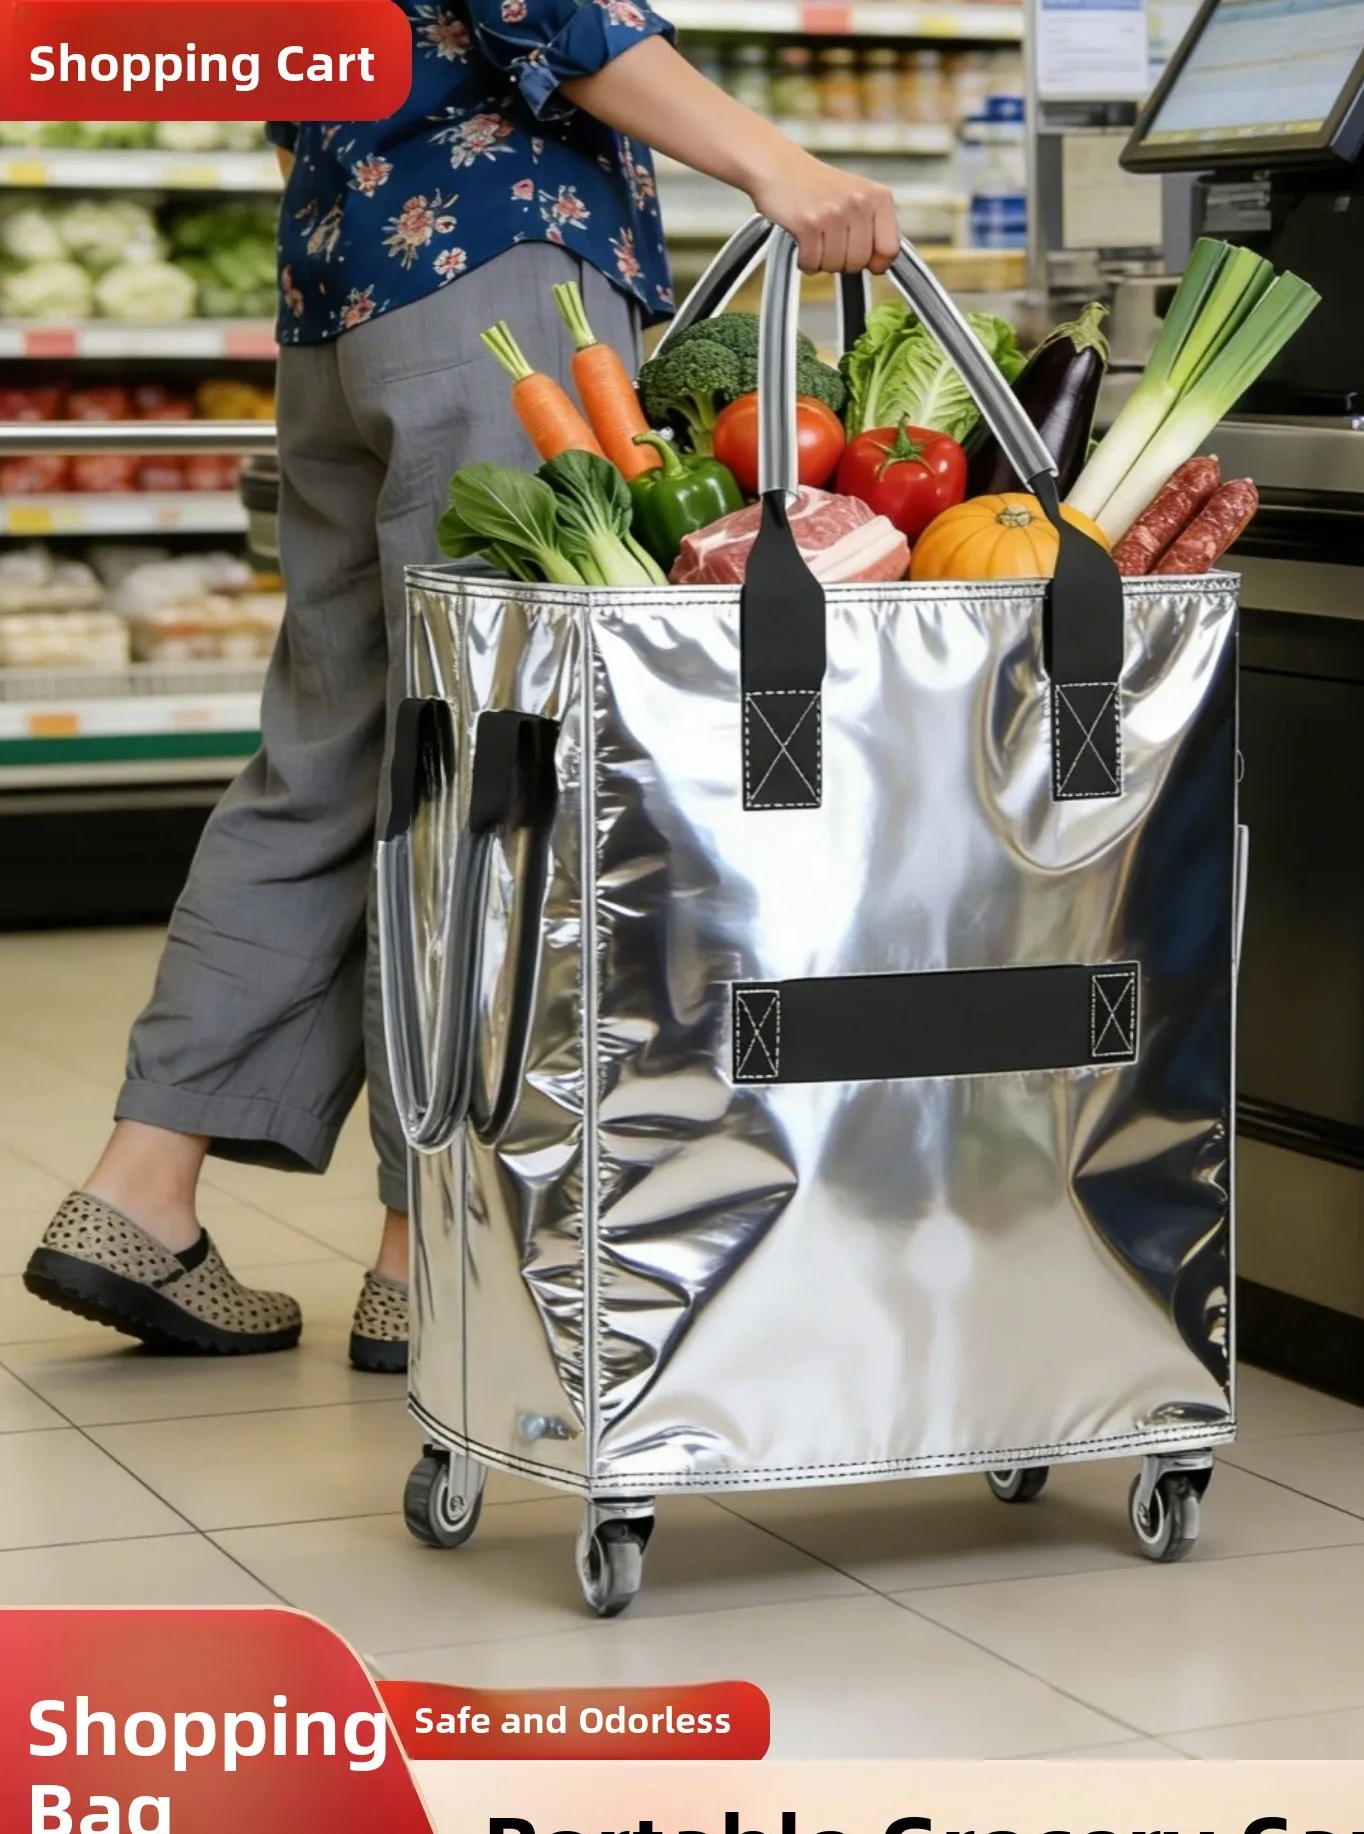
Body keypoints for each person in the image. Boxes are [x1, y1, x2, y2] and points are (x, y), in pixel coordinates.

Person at [23, 1, 899, 1371]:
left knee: (325, 753)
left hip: (338, 295)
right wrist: (779, 167)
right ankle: (425, 1247)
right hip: (497, 278)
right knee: (494, 770)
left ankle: (141, 1189)